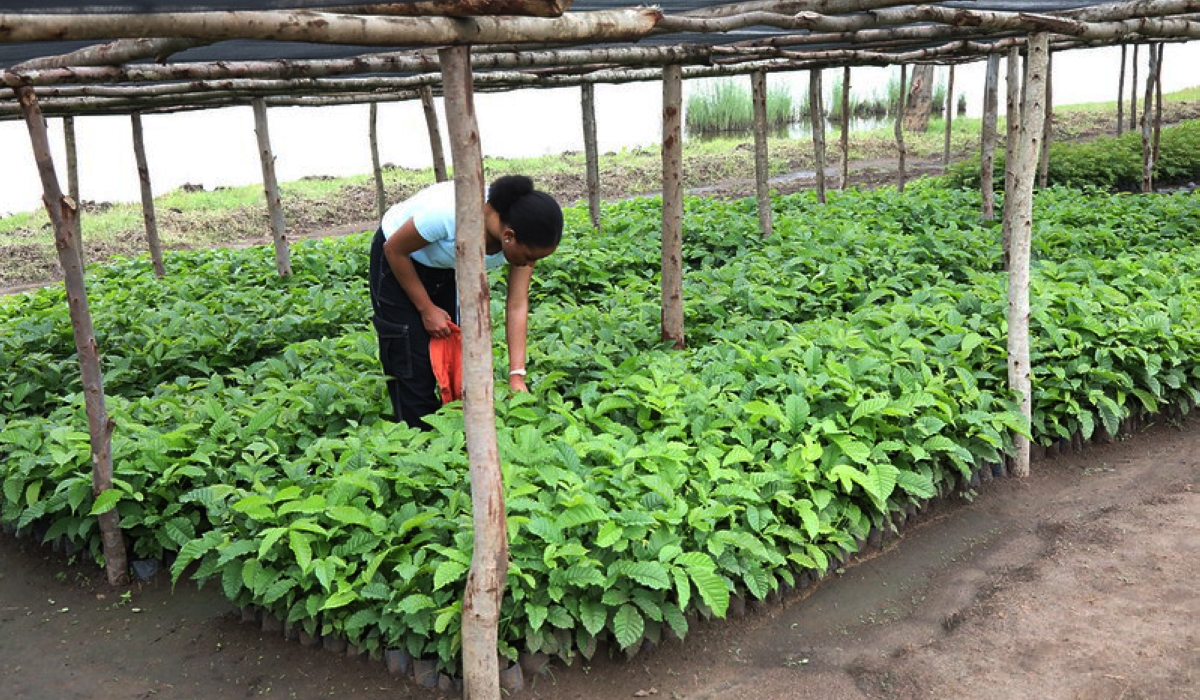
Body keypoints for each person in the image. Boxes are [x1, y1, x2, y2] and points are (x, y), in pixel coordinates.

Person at [368, 175, 563, 428]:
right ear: (509, 236)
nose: (528, 264)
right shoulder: (450, 215)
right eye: (528, 257)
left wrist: (517, 374)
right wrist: (426, 308)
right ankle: (414, 440)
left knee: (449, 352)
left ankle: (450, 433)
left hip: (448, 266)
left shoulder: (523, 241)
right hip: (399, 256)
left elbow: (517, 303)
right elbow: (394, 250)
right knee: (409, 354)